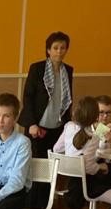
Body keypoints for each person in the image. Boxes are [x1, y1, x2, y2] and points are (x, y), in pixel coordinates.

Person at [20, 31, 74, 159]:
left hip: (58, 127)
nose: (59, 51)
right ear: (48, 50)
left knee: (54, 165)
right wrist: (31, 124)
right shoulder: (37, 68)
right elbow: (28, 97)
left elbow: (68, 99)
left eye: (63, 48)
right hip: (37, 127)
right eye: (55, 48)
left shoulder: (68, 70)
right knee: (36, 165)